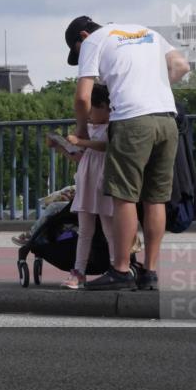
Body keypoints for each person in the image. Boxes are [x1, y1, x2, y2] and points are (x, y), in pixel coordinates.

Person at [65, 16, 189, 290]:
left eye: (76, 51)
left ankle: (121, 270)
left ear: (83, 36)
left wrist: (82, 130)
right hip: (166, 119)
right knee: (155, 198)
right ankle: (150, 273)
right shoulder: (147, 31)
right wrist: (152, 89)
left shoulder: (93, 41)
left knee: (124, 197)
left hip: (132, 121)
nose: (81, 56)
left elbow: (83, 98)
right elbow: (181, 66)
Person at [59, 84, 116, 289]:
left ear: (104, 107)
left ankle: (116, 268)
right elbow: (82, 156)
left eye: (91, 110)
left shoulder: (112, 127)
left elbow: (106, 146)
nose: (88, 115)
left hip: (104, 182)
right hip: (88, 181)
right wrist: (63, 147)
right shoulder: (90, 128)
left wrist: (82, 141)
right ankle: (79, 271)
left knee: (111, 229)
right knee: (85, 230)